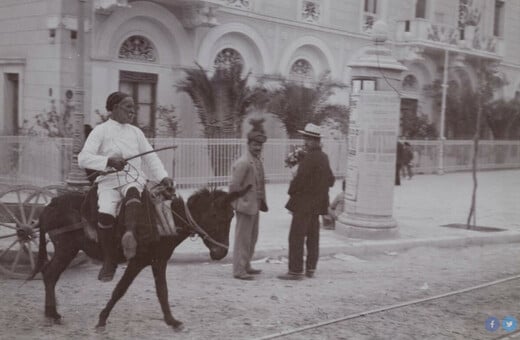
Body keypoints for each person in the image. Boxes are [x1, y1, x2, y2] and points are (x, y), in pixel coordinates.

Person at [78, 91, 174, 282]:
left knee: (133, 192)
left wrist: (163, 177)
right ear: (114, 108)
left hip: (133, 179)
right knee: (105, 212)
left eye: (134, 108)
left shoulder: (136, 132)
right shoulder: (100, 131)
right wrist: (108, 161)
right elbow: (83, 158)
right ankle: (109, 260)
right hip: (109, 182)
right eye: (128, 107)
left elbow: (150, 156)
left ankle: (129, 235)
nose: (132, 111)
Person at [278, 123, 335, 280]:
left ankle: (295, 271)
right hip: (317, 205)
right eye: (305, 138)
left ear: (315, 141)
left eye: (308, 139)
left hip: (303, 204)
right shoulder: (324, 157)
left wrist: (292, 191)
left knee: (296, 237)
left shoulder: (309, 158)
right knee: (313, 237)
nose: (305, 142)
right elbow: (331, 180)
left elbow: (299, 182)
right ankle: (311, 268)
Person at [229, 118, 268, 281]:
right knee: (242, 239)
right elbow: (234, 186)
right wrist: (238, 203)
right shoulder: (244, 162)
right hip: (245, 207)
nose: (258, 147)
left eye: (260, 145)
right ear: (249, 144)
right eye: (255, 144)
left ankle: (246, 264)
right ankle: (239, 270)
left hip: (255, 206)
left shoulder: (256, 161)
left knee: (252, 238)